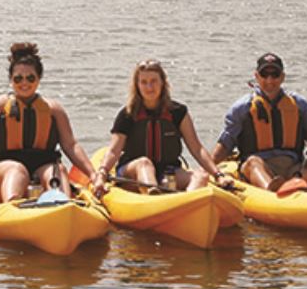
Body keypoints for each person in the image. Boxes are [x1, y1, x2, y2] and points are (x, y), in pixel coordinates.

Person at [0, 42, 101, 203]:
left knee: (56, 170)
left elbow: (71, 145)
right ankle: (12, 206)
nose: (24, 83)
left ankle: (61, 204)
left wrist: (93, 175)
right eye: (18, 78)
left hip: (43, 164)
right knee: (17, 170)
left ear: (39, 79)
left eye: (30, 78)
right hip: (3, 167)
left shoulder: (54, 110)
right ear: (11, 80)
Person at [210, 53, 307, 191]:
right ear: (257, 77)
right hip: (259, 167)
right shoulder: (242, 107)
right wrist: (208, 168)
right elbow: (225, 145)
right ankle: (271, 193)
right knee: (253, 162)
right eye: (265, 75)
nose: (270, 80)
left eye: (275, 74)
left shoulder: (299, 105)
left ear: (282, 77)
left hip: (293, 169)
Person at [92, 59, 233, 195]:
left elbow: (197, 148)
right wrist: (102, 174)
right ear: (137, 85)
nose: (149, 87)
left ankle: (186, 204)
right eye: (144, 82)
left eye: (154, 81)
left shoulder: (178, 112)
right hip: (132, 173)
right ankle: (153, 197)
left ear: (162, 83)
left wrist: (218, 174)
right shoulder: (127, 115)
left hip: (167, 172)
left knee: (201, 176)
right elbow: (113, 151)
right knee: (144, 164)